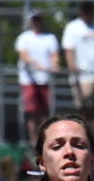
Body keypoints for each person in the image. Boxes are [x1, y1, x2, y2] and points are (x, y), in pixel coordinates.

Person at [13, 11, 61, 142]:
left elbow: (54, 55)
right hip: (29, 81)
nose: (36, 22)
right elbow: (23, 55)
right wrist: (35, 64)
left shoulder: (49, 38)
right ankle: (33, 141)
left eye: (38, 19)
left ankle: (45, 140)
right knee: (32, 113)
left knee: (44, 113)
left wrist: (55, 64)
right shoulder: (24, 38)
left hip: (44, 80)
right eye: (34, 19)